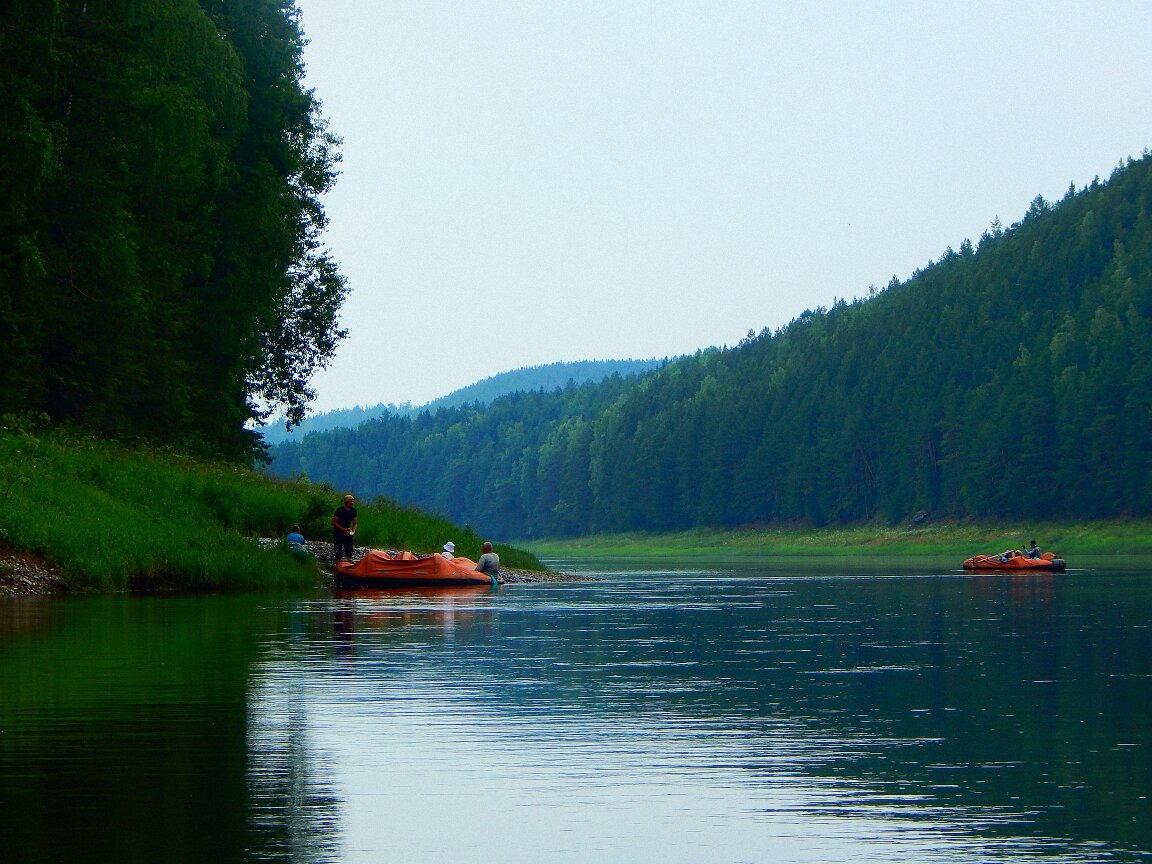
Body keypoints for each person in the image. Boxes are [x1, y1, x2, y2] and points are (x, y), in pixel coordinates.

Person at [332, 494, 358, 561]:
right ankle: (338, 563)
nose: (352, 503)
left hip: (348, 532)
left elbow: (355, 523)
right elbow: (334, 522)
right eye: (350, 501)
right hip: (338, 532)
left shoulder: (353, 511)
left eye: (352, 501)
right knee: (338, 549)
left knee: (349, 549)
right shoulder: (339, 510)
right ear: (346, 502)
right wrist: (343, 529)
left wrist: (353, 531)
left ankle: (348, 563)